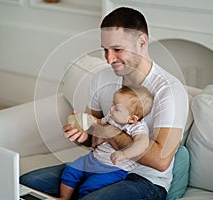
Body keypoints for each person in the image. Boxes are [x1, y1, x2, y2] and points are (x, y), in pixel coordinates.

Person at [20, 7, 188, 200]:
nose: (109, 59)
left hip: (144, 180)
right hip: (100, 164)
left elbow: (160, 160)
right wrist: (82, 134)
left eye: (117, 49)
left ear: (142, 42)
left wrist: (110, 132)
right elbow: (93, 137)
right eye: (105, 50)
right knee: (25, 184)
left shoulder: (169, 91)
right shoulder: (101, 79)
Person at [58, 85, 153, 200]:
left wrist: (124, 154)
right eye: (112, 104)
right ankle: (64, 197)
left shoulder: (137, 128)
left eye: (116, 108)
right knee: (71, 170)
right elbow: (99, 123)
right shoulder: (112, 117)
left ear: (132, 119)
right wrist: (85, 119)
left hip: (113, 169)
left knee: (90, 187)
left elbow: (142, 144)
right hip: (92, 159)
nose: (111, 108)